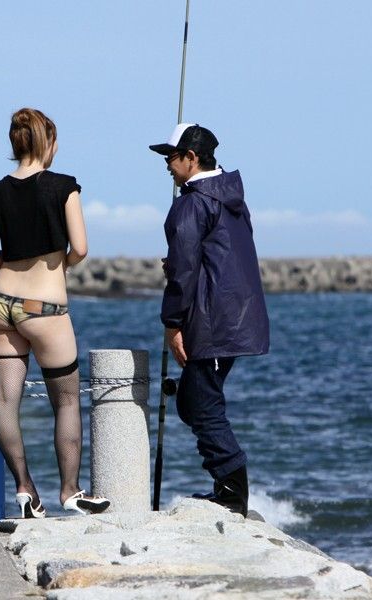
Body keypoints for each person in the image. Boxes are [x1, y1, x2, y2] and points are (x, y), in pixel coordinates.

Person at [0, 107, 109, 518]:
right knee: (67, 401)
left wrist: (16, 261)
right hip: (45, 309)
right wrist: (58, 264)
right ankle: (69, 490)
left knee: (6, 399)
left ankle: (25, 489)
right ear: (46, 142)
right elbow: (81, 248)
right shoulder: (64, 186)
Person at [150, 123, 270, 516]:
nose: (167, 165)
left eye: (171, 157)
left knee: (201, 405)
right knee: (192, 401)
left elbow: (184, 271)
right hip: (235, 315)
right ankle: (227, 486)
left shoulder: (191, 203)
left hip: (212, 320)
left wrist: (172, 324)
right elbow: (218, 255)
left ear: (191, 157)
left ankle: (232, 494)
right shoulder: (230, 197)